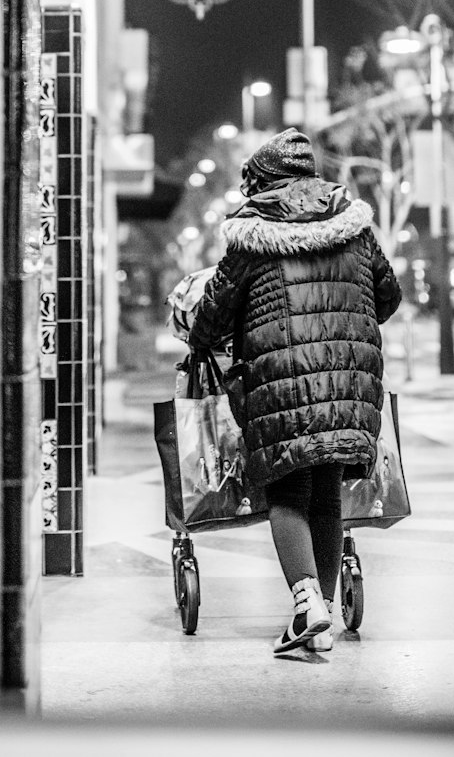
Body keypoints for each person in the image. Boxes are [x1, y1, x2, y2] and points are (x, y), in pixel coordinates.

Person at [187, 126, 402, 656]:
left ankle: (308, 604)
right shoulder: (354, 225)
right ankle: (319, 618)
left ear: (260, 181)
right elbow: (389, 295)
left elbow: (213, 316)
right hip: (351, 380)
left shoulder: (250, 235)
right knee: (326, 491)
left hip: (280, 385)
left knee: (287, 490)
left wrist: (199, 339)